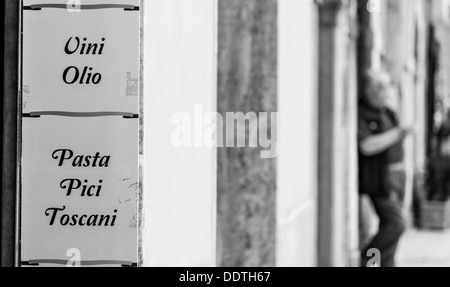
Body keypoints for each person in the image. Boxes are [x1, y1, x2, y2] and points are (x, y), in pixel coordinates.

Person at [358, 70, 415, 267]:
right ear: (368, 90)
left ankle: (385, 263)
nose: (386, 92)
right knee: (396, 225)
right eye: (381, 87)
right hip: (380, 179)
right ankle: (367, 257)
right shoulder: (363, 113)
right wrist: (398, 133)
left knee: (391, 225)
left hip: (397, 175)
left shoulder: (387, 111)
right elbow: (366, 145)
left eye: (387, 87)